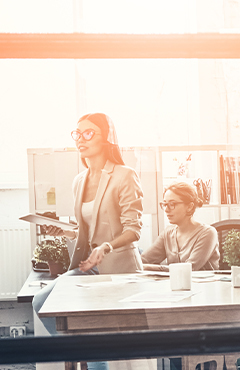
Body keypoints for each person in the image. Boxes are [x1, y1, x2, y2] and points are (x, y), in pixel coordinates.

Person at [31, 112, 145, 336]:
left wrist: (106, 247)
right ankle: (80, 353)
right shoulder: (79, 181)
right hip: (88, 266)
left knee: (109, 332)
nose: (80, 139)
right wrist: (65, 231)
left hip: (118, 267)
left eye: (88, 133)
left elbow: (134, 230)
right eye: (77, 133)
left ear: (106, 138)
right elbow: (86, 230)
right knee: (42, 300)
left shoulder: (124, 175)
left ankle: (90, 356)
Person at [142, 180, 221, 271]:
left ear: (190, 206)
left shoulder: (208, 233)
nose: (166, 210)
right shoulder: (168, 233)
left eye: (172, 204)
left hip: (202, 284)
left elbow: (189, 268)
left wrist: (147, 267)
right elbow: (143, 260)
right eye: (165, 204)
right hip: (175, 284)